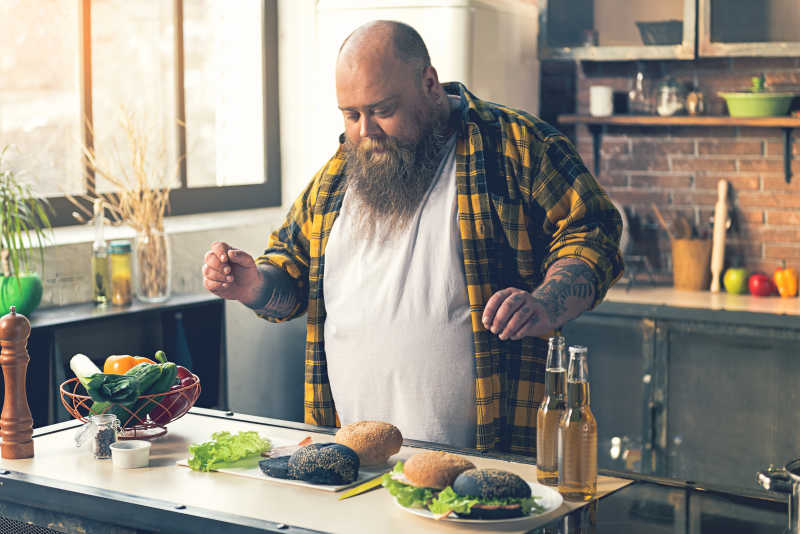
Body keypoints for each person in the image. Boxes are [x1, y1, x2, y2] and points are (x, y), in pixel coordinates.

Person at [202, 20, 623, 455]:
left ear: (429, 83)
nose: (366, 130)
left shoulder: (516, 146)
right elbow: (289, 275)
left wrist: (547, 303)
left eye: (382, 109)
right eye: (351, 114)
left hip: (489, 460)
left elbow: (594, 232)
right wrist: (253, 285)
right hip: (353, 461)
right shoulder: (338, 174)